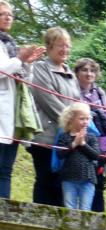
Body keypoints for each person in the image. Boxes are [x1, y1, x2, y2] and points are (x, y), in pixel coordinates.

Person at [28, 28, 78, 206]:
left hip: (65, 138)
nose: (65, 49)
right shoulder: (41, 68)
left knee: (60, 184)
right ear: (49, 47)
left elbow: (77, 102)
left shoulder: (70, 73)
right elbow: (48, 100)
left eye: (67, 46)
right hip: (46, 136)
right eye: (60, 45)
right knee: (45, 181)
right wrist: (73, 123)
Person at [0, 2, 45, 199]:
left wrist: (28, 63)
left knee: (5, 170)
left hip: (13, 117)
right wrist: (19, 59)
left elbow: (25, 80)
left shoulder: (10, 44)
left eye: (10, 15)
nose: (8, 17)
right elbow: (2, 71)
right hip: (1, 113)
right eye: (2, 14)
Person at [72, 58, 106, 212]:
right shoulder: (72, 90)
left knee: (98, 183)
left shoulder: (99, 92)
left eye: (92, 70)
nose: (89, 74)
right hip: (79, 141)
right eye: (85, 70)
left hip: (99, 143)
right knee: (77, 180)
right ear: (77, 72)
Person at [52, 102, 99, 211]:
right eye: (82, 119)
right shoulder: (64, 137)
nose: (85, 122)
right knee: (69, 208)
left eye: (87, 119)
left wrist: (82, 144)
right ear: (71, 119)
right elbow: (59, 154)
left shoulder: (91, 137)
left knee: (85, 209)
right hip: (69, 178)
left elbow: (96, 155)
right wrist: (73, 144)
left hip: (88, 179)